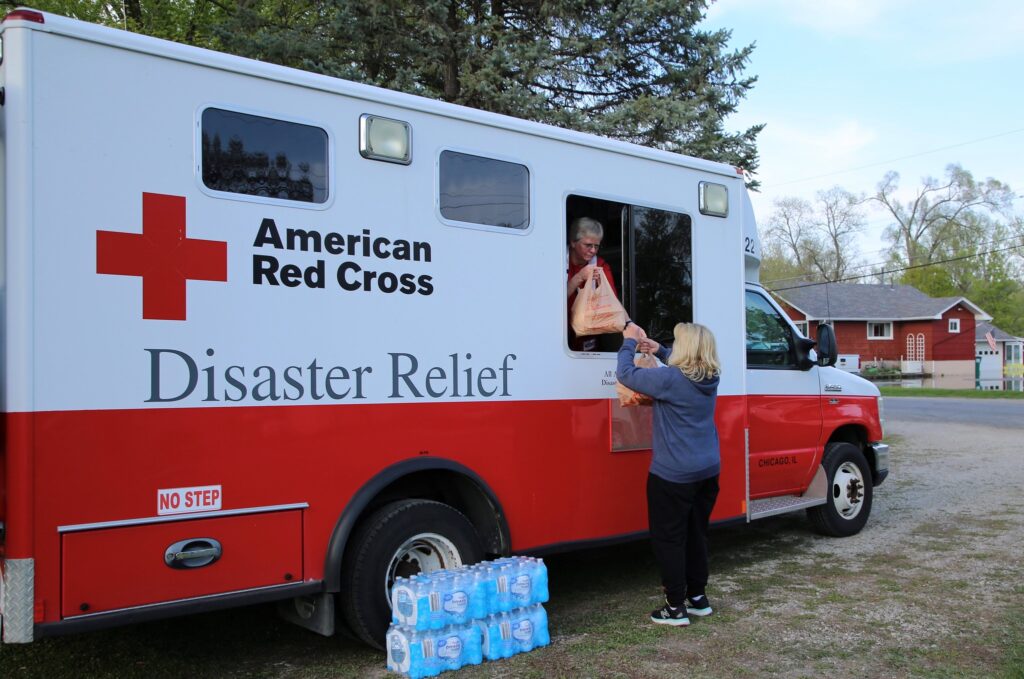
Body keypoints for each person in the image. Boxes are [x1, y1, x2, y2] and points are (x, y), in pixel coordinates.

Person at [617, 321, 721, 627]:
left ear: (685, 349)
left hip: (673, 475)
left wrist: (628, 343)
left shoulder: (670, 379)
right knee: (695, 534)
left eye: (676, 342)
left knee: (670, 540)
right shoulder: (711, 375)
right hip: (707, 470)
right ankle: (697, 598)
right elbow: (682, 358)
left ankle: (675, 607)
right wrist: (660, 349)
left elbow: (626, 374)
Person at [566, 217, 619, 351]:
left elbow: (612, 304)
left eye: (596, 246)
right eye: (588, 245)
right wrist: (578, 278)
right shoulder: (556, 260)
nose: (593, 251)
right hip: (558, 334)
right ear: (573, 242)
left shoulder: (601, 265)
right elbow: (548, 303)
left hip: (588, 337)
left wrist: (602, 287)